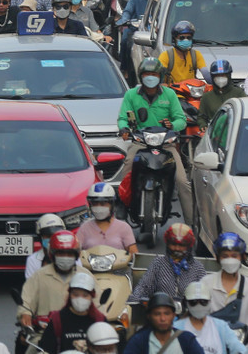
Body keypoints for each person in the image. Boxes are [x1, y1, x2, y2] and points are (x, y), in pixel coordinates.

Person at [110, 57, 194, 221]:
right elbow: (123, 118)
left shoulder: (170, 94)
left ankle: (192, 224)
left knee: (182, 181)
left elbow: (181, 119)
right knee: (127, 171)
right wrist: (124, 129)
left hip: (166, 145)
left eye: (154, 74)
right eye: (146, 74)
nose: (150, 77)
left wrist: (172, 125)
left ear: (160, 76)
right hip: (140, 143)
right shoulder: (131, 95)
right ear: (141, 76)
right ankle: (122, 206)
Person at [19, 230, 82, 326]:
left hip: (78, 327)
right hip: (45, 327)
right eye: (61, 254)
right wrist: (25, 313)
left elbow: (97, 304)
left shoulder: (85, 276)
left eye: (69, 254)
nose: (65, 258)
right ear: (52, 255)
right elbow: (27, 298)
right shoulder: (39, 276)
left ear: (76, 255)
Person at [132, 224, 206, 303]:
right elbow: (143, 287)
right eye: (173, 244)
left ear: (188, 247)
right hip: (161, 307)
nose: (177, 248)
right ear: (168, 244)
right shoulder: (158, 264)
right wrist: (135, 299)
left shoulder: (197, 268)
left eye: (181, 245)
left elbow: (205, 295)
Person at [208, 232, 248, 329]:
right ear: (218, 258)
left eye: (234, 256)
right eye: (225, 256)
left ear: (242, 257)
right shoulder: (206, 283)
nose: (230, 260)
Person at [176, 279, 247, 354]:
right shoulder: (177, 327)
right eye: (193, 302)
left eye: (203, 302)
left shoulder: (221, 327)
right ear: (186, 303)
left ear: (209, 302)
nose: (198, 306)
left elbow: (238, 348)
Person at [124, 292, 204, 354]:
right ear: (149, 316)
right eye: (157, 314)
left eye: (167, 313)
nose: (163, 318)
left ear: (173, 315)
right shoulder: (139, 341)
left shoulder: (187, 340)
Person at [74, 182, 137, 256]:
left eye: (103, 203)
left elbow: (134, 254)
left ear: (112, 204)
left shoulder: (124, 227)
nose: (98, 207)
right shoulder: (84, 228)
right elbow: (75, 252)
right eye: (95, 203)